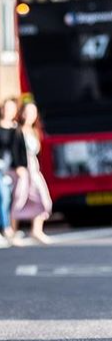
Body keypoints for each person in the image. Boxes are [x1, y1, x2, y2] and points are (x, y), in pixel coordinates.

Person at [12, 101, 52, 245]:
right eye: (27, 112)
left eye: (32, 112)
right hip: (23, 169)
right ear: (22, 113)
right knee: (19, 199)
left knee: (43, 199)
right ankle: (13, 231)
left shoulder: (35, 131)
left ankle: (36, 230)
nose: (29, 115)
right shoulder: (17, 131)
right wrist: (18, 167)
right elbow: (15, 152)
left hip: (34, 169)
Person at [0, 98, 27, 245]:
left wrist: (20, 166)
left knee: (10, 198)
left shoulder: (16, 129)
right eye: (6, 108)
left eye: (12, 108)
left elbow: (19, 151)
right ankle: (6, 229)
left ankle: (10, 228)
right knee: (3, 195)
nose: (8, 111)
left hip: (11, 169)